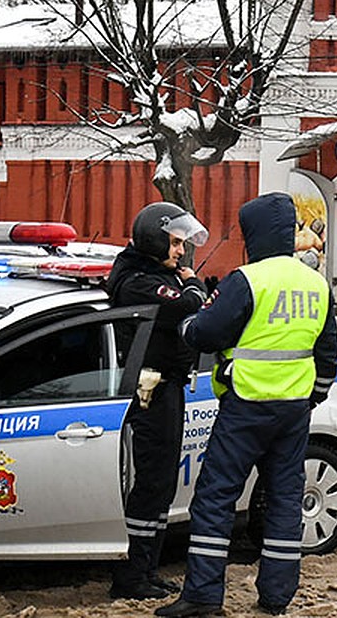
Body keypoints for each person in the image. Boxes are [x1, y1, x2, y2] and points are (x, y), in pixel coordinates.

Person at [156, 193, 337, 618]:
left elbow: (206, 334)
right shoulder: (315, 283)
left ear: (253, 234)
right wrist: (313, 396)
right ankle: (277, 595)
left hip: (246, 407)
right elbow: (327, 353)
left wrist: (187, 323)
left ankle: (202, 596)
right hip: (294, 411)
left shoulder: (247, 280)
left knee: (216, 497)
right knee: (284, 499)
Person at [107, 202, 210, 601]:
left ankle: (148, 570)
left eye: (183, 244)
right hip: (151, 391)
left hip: (167, 388)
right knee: (151, 483)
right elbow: (185, 306)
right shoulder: (136, 281)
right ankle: (132, 575)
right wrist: (194, 286)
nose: (181, 252)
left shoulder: (152, 273)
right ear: (154, 238)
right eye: (175, 243)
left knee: (163, 482)